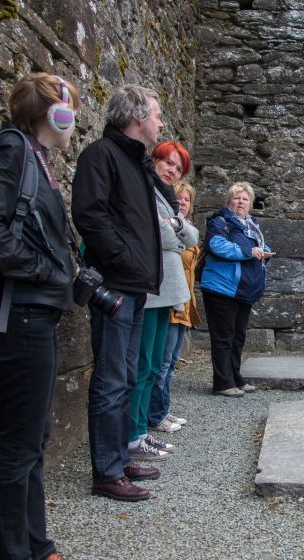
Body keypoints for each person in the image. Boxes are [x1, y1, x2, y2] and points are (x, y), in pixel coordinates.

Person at [0, 73, 87, 560]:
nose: (73, 120)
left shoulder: (33, 158)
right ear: (53, 114)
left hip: (36, 314)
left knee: (34, 438)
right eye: (69, 110)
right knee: (17, 444)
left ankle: (36, 547)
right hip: (20, 316)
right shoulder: (10, 150)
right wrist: (45, 269)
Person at [72, 84, 165, 502]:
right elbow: (90, 216)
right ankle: (106, 473)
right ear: (137, 116)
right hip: (115, 285)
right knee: (111, 380)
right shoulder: (101, 156)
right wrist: (126, 260)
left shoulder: (137, 163)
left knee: (126, 376)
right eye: (157, 115)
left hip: (136, 287)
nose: (161, 122)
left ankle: (120, 457)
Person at [127, 141, 198, 462]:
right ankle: (133, 434)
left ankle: (142, 430)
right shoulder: (144, 190)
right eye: (168, 163)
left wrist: (176, 225)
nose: (172, 171)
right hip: (151, 289)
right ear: (154, 160)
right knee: (144, 366)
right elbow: (160, 236)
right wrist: (175, 230)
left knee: (154, 364)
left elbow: (192, 238)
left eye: (178, 168)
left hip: (167, 291)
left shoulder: (166, 199)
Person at [200, 182, 273, 397]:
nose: (240, 202)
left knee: (238, 336)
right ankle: (222, 382)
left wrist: (264, 251)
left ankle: (235, 376)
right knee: (223, 337)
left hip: (243, 290)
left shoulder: (252, 225)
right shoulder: (219, 221)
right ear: (229, 201)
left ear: (250, 203)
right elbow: (217, 246)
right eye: (236, 198)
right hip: (221, 287)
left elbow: (260, 247)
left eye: (244, 199)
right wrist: (249, 251)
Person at [147, 179, 202, 432]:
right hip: (168, 300)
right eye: (178, 197)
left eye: (187, 199)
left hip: (183, 300)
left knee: (170, 363)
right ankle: (155, 416)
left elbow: (191, 240)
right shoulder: (167, 224)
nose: (182, 202)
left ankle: (162, 410)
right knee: (161, 363)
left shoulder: (185, 227)